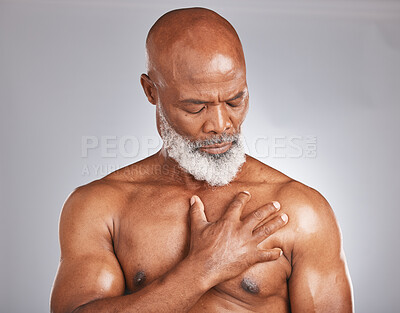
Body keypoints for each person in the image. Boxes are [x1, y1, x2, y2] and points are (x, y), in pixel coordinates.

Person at [50, 7, 353, 313]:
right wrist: (203, 269)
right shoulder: (102, 206)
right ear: (151, 91)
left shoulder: (299, 211)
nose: (221, 125)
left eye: (235, 100)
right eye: (196, 107)